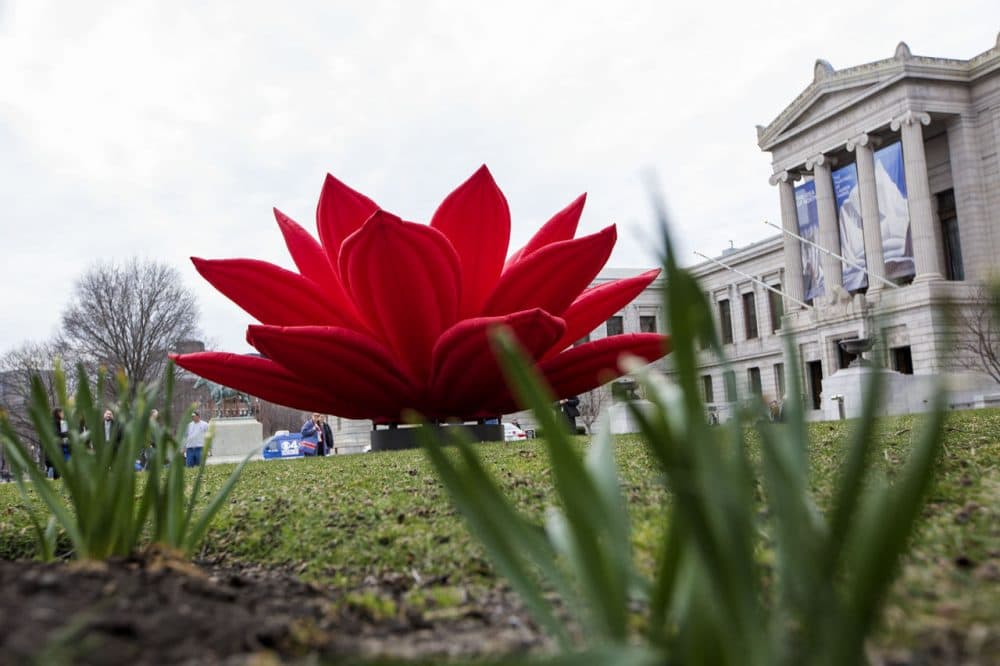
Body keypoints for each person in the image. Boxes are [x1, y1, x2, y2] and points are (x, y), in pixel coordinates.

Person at [47, 408, 70, 479]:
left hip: (63, 445)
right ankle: (56, 477)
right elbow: (56, 433)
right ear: (58, 413)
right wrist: (67, 434)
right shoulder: (53, 422)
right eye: (62, 413)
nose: (63, 414)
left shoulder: (62, 422)